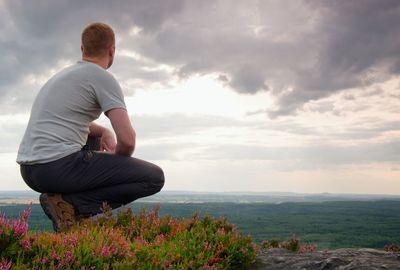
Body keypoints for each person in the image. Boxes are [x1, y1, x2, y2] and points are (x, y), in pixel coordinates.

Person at [16, 22, 165, 232]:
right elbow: (128, 140)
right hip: (58, 168)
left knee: (93, 138)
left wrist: (103, 131)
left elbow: (67, 120)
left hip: (31, 170)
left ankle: (66, 206)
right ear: (112, 50)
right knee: (153, 178)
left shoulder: (62, 76)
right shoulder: (101, 77)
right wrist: (118, 157)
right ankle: (74, 205)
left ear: (82, 49)